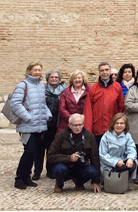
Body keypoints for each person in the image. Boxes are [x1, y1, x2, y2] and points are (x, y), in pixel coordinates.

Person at [10, 61, 52, 190]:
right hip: (28, 126)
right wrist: (28, 117)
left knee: (33, 154)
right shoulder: (23, 85)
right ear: (29, 71)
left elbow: (42, 104)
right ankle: (19, 179)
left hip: (39, 126)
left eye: (39, 70)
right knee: (28, 152)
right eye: (35, 70)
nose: (38, 72)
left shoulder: (40, 86)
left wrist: (47, 114)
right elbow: (15, 104)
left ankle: (27, 177)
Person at [47, 113, 100, 193]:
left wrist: (96, 181)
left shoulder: (89, 136)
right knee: (59, 170)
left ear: (83, 124)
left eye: (80, 125)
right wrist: (69, 158)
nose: (78, 128)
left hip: (81, 165)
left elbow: (95, 158)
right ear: (70, 125)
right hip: (64, 165)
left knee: (92, 171)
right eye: (75, 125)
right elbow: (50, 156)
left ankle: (79, 182)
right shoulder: (61, 135)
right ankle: (59, 184)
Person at [33, 68, 67, 180]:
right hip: (43, 124)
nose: (54, 79)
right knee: (39, 149)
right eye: (52, 77)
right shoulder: (41, 89)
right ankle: (37, 172)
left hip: (56, 124)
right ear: (47, 79)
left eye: (56, 77)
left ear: (59, 79)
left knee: (52, 149)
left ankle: (50, 171)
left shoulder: (64, 90)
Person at [83, 62, 125, 144]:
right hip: (97, 128)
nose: (104, 72)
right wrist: (88, 130)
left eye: (106, 70)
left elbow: (121, 108)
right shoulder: (93, 88)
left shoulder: (117, 87)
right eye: (102, 70)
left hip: (112, 128)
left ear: (110, 71)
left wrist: (119, 125)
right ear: (99, 72)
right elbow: (88, 110)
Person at [99, 113, 138, 182]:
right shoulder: (106, 137)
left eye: (122, 123)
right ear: (113, 124)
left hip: (122, 161)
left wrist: (130, 158)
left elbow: (131, 149)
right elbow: (103, 154)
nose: (119, 125)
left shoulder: (127, 136)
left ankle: (123, 180)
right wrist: (115, 162)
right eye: (116, 123)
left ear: (125, 125)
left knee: (134, 163)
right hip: (109, 163)